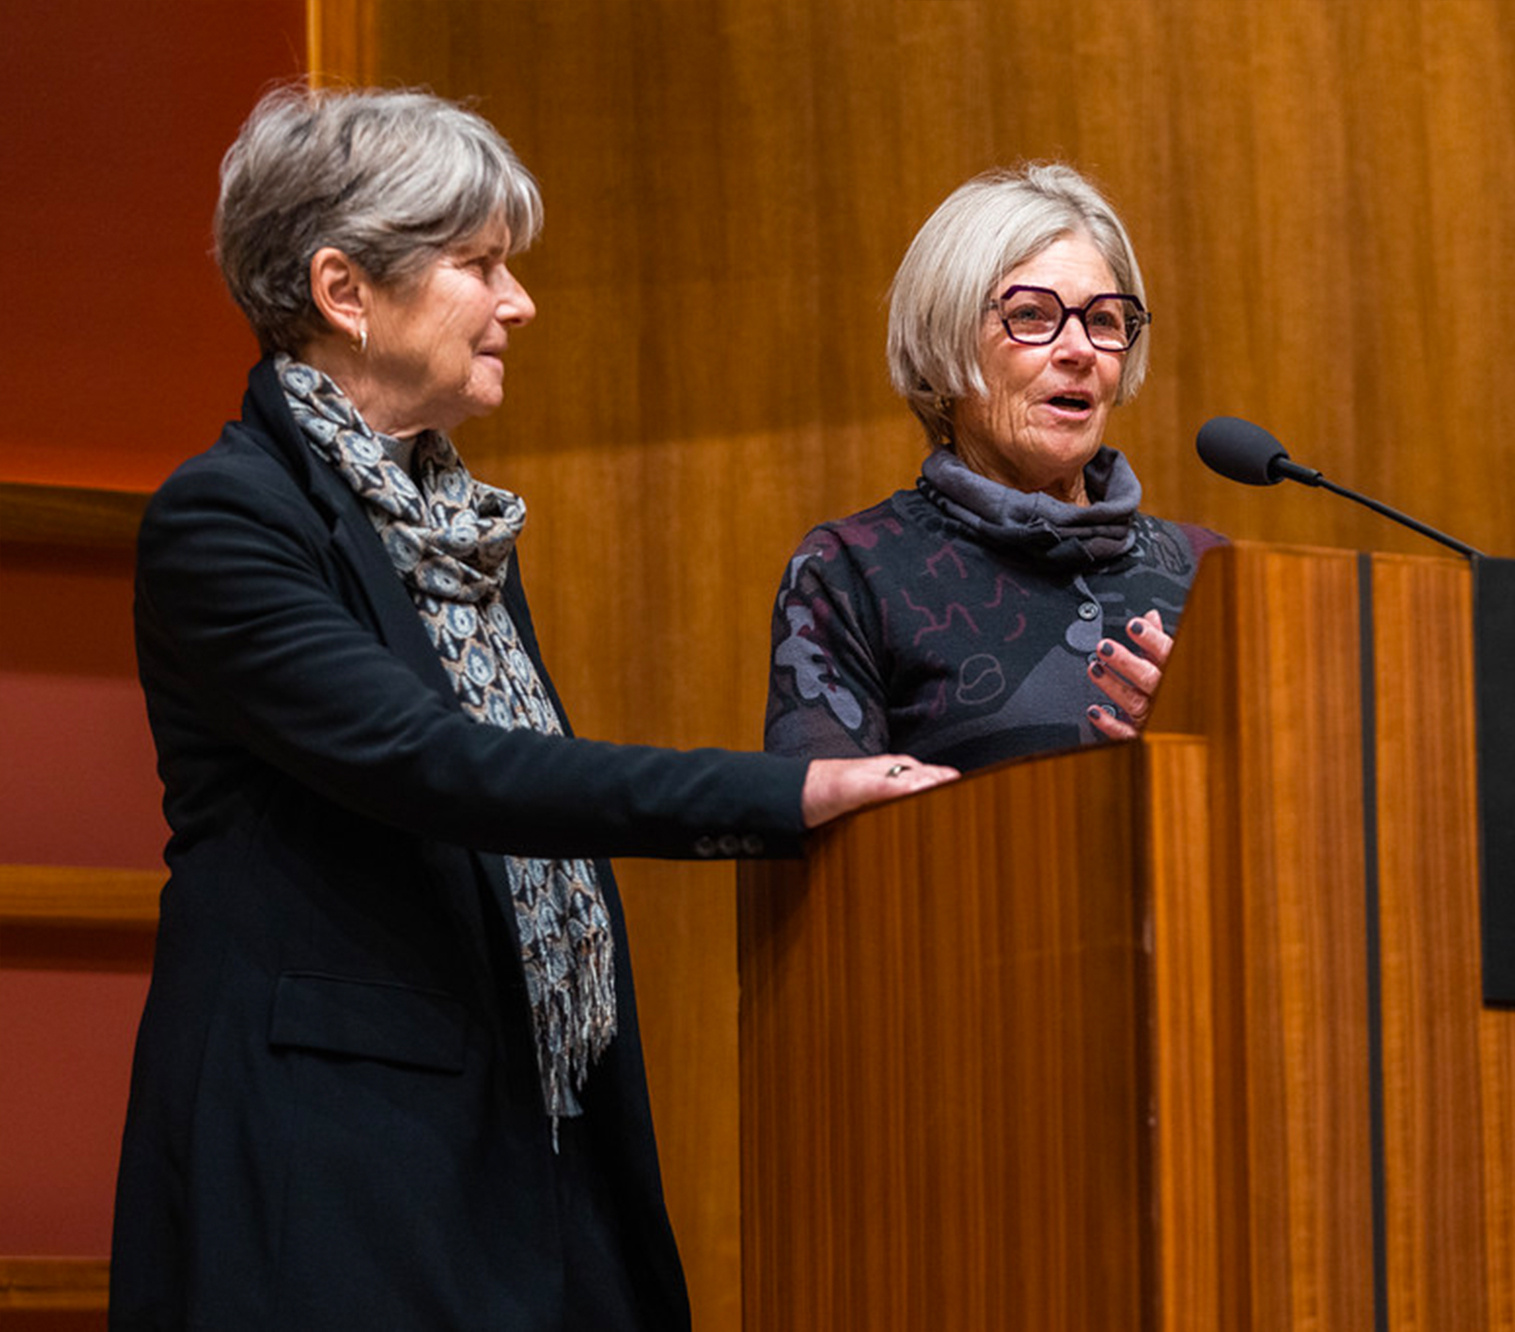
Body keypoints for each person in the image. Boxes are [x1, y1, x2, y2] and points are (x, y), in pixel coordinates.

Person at [109, 84, 952, 1332]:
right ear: (345, 292)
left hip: (529, 1137)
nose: (519, 304)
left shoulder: (448, 525)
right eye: (479, 266)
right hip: (335, 1160)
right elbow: (439, 764)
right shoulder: (226, 519)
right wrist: (792, 788)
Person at [764, 163, 1224, 771]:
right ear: (947, 338)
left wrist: (1213, 749)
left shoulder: (1208, 571)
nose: (1080, 349)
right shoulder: (853, 572)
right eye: (1031, 314)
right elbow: (821, 849)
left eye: (1105, 320)